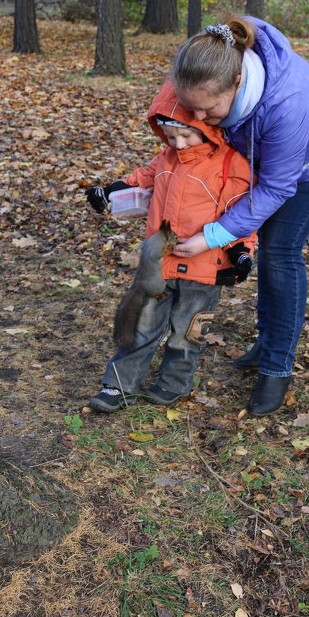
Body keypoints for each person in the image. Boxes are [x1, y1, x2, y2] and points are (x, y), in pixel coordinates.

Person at [164, 14, 309, 416]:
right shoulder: (207, 64)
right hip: (261, 160)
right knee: (265, 244)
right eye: (191, 107)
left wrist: (213, 235)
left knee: (280, 251)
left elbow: (278, 187)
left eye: (208, 109)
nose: (197, 119)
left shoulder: (285, 102)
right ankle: (268, 342)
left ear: (236, 83)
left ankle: (276, 367)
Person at [85, 87, 257, 411]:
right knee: (141, 324)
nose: (177, 145)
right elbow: (141, 179)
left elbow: (241, 213)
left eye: (186, 137)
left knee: (187, 332)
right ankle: (119, 385)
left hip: (204, 269)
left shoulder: (230, 165)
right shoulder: (167, 157)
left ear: (207, 127)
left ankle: (174, 382)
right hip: (159, 264)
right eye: (170, 136)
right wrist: (108, 192)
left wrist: (241, 252)